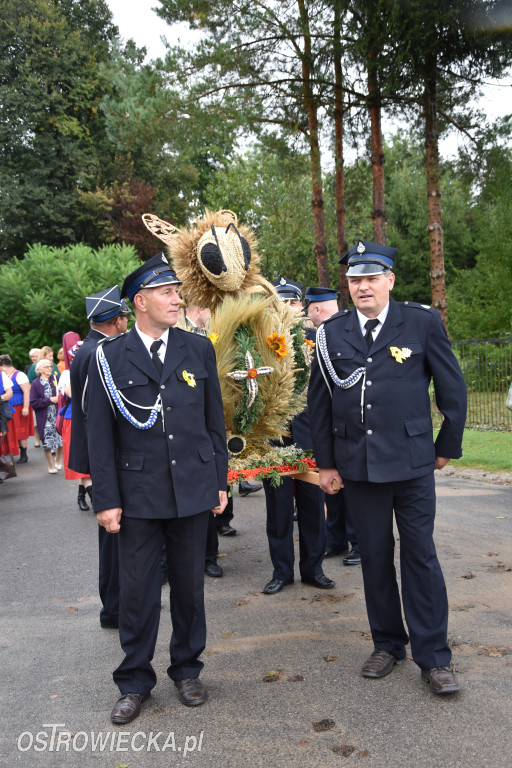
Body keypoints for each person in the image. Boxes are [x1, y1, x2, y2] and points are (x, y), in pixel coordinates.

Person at [308, 239, 467, 695]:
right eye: (355, 280)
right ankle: (387, 644)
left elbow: (452, 389)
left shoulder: (420, 322)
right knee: (374, 558)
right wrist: (326, 465)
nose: (363, 287)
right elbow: (320, 404)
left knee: (420, 557)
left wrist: (445, 445)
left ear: (390, 281)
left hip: (414, 464)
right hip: (359, 469)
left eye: (371, 278)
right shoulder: (331, 332)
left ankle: (434, 657)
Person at [86, 252, 228, 724]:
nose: (176, 298)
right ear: (140, 301)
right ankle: (134, 681)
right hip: (138, 493)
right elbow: (99, 435)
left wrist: (219, 482)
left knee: (189, 587)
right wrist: (106, 499)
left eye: (176, 291)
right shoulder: (108, 356)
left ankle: (187, 670)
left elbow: (214, 422)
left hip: (191, 487)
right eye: (166, 292)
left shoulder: (197, 348)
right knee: (138, 590)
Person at [261, 277, 335, 595]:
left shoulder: (316, 339)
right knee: (277, 509)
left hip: (310, 434)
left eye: (292, 303)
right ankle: (281, 572)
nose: (287, 308)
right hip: (274, 438)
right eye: (281, 303)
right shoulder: (259, 342)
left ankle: (313, 569)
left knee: (312, 506)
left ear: (300, 306)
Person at [68, 285, 132, 628]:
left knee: (113, 535)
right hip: (107, 455)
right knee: (114, 536)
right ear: (117, 321)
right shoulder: (98, 353)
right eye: (124, 318)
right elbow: (96, 414)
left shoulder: (89, 348)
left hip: (100, 455)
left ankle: (116, 606)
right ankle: (114, 609)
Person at [304, 287, 360, 566]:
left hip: (353, 426)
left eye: (308, 309)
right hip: (333, 425)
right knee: (333, 487)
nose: (306, 315)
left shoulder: (349, 329)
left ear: (316, 309)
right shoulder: (322, 335)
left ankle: (358, 543)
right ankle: (336, 539)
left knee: (353, 490)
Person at [57, 333, 93, 511]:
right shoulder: (66, 374)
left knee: (89, 459)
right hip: (73, 419)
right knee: (81, 458)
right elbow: (73, 394)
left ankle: (81, 495)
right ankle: (95, 499)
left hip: (90, 417)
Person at [29, 359, 63, 473]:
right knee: (47, 442)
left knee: (60, 440)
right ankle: (51, 465)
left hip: (57, 415)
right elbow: (33, 402)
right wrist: (49, 400)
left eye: (50, 366)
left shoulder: (56, 379)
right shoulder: (36, 383)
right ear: (40, 370)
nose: (50, 368)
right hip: (45, 417)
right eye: (47, 366)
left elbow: (63, 395)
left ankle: (58, 460)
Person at [0, 354, 34, 464]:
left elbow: (27, 391)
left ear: (4, 365)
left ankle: (24, 454)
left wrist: (25, 407)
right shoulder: (5, 375)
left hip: (20, 406)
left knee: (21, 431)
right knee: (11, 431)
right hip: (9, 407)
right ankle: (11, 452)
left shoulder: (20, 375)